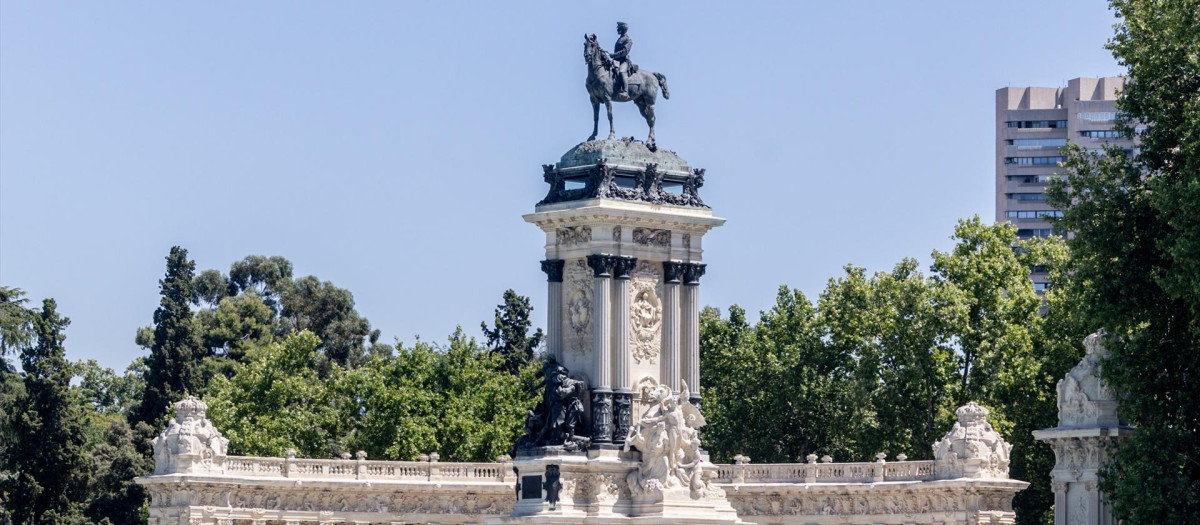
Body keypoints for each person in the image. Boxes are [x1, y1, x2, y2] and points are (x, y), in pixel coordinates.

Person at [612, 22, 633, 97]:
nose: (617, 29)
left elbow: (625, 52)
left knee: (621, 72)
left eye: (619, 28)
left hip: (624, 61)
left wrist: (615, 55)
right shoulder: (620, 39)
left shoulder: (628, 39)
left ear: (623, 29)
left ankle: (625, 91)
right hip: (616, 61)